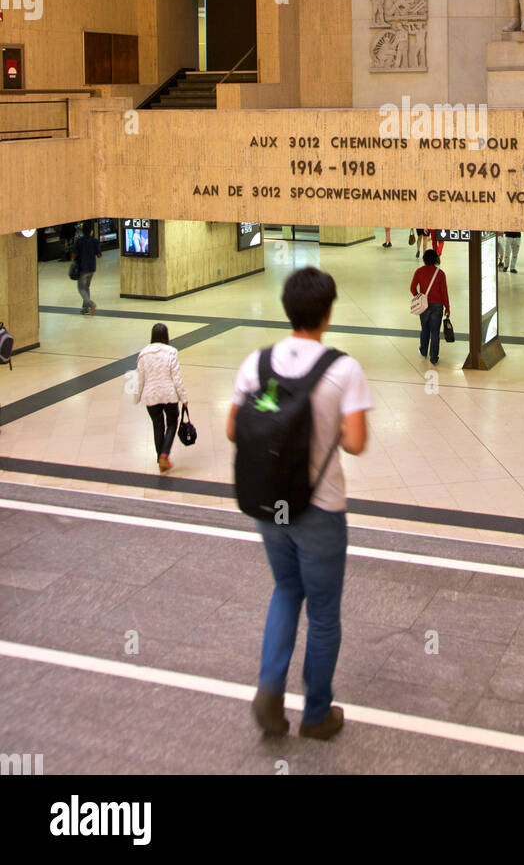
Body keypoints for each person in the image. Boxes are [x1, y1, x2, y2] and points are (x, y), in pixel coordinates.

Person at [227, 267, 372, 741]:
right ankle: (315, 714)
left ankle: (269, 689)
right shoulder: (342, 368)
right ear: (328, 313)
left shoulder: (257, 362)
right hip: (321, 509)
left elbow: (233, 429)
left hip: (271, 506)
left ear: (288, 309)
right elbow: (355, 443)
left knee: (286, 591)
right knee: (325, 613)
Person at [135, 323, 191, 474]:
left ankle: (161, 458)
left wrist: (137, 396)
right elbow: (176, 378)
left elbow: (140, 378)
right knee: (172, 423)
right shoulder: (171, 352)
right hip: (169, 394)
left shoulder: (143, 354)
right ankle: (164, 455)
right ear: (166, 336)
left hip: (151, 395)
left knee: (157, 425)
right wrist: (184, 397)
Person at [411, 248, 451, 366]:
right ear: (436, 259)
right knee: (435, 332)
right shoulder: (440, 274)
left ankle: (423, 350)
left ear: (424, 259)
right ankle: (434, 357)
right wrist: (447, 307)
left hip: (424, 305)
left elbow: (412, 288)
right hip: (437, 306)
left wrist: (418, 297)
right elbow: (444, 292)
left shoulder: (419, 271)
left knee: (425, 329)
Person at [71, 220, 101, 315]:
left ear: (83, 231)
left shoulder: (79, 241)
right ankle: (85, 308)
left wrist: (74, 261)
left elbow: (74, 254)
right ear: (91, 232)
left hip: (82, 268)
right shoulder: (94, 241)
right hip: (92, 267)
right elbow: (99, 255)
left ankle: (91, 304)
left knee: (81, 288)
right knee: (87, 287)